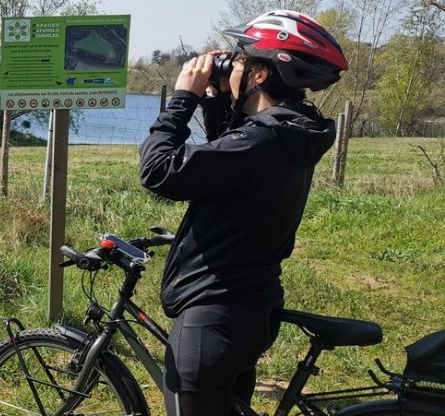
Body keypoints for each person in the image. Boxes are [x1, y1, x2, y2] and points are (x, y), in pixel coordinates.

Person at [138, 10, 349, 415]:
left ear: (259, 75)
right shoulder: (288, 134)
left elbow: (157, 170)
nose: (228, 63)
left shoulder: (259, 142)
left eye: (238, 59)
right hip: (248, 310)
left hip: (213, 319)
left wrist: (183, 99)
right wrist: (220, 98)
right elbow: (228, 161)